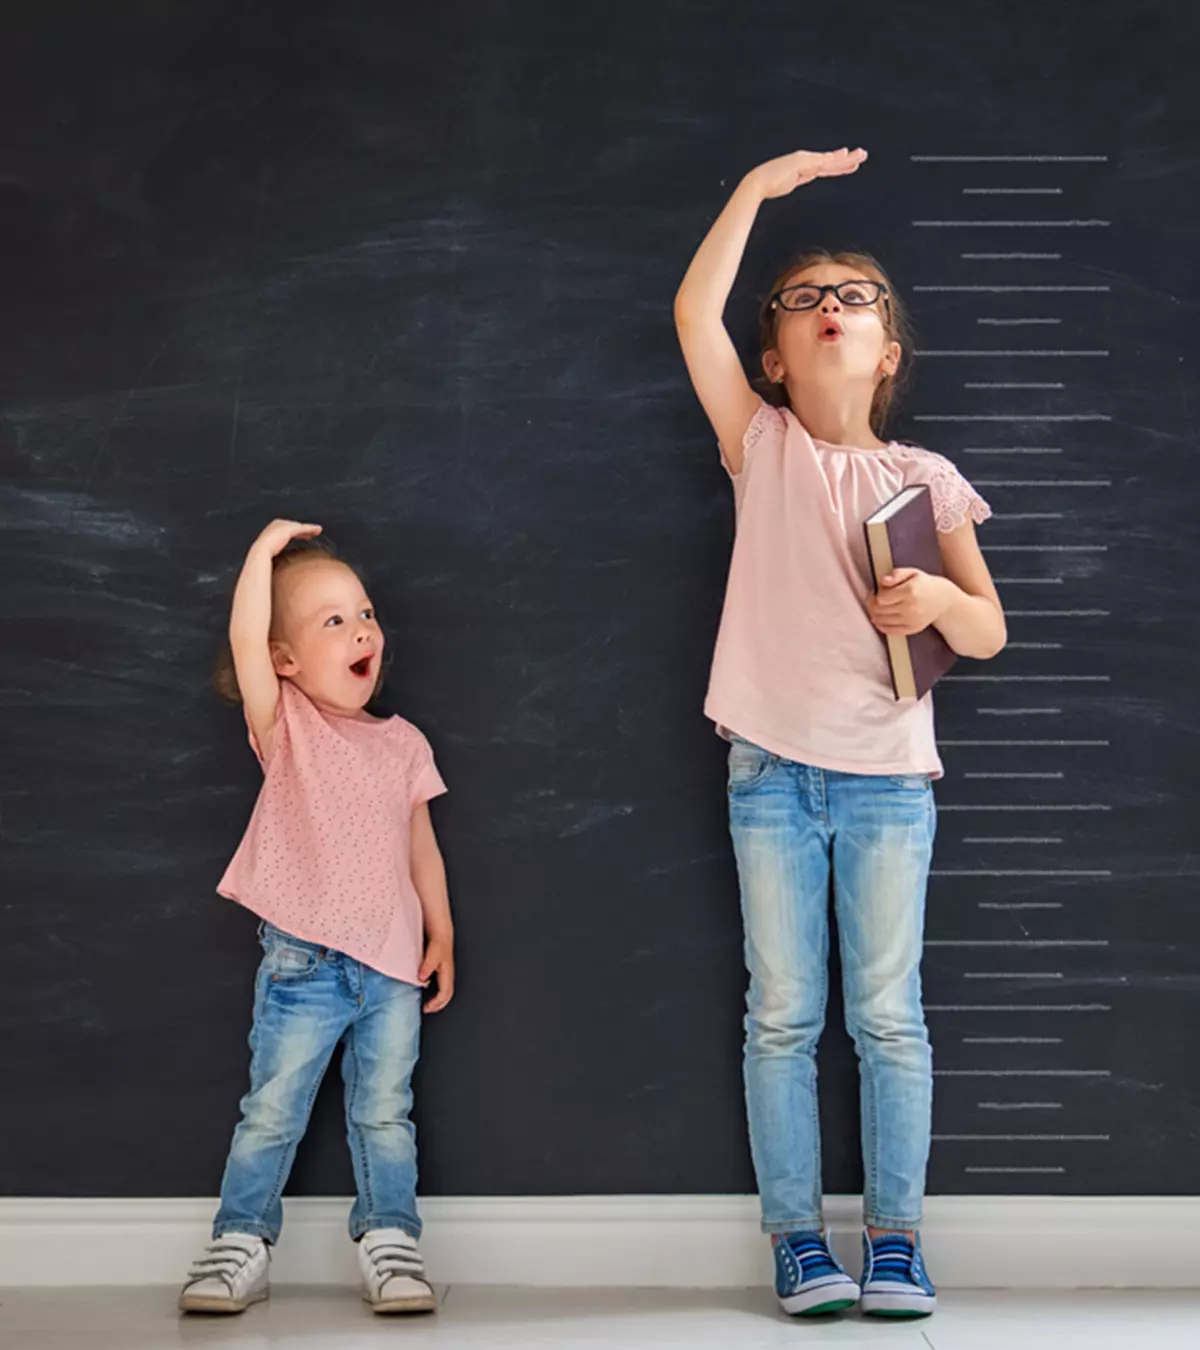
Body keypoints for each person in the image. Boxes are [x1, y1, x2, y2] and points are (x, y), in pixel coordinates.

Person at [673, 146, 1006, 1318]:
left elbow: (990, 630)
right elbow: (689, 309)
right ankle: (798, 1244)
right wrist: (756, 191)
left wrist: (937, 605)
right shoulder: (760, 444)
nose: (828, 309)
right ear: (775, 353)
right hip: (767, 768)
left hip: (885, 780)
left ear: (887, 353)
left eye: (852, 298)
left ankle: (899, 1241)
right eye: (803, 299)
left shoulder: (923, 475)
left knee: (886, 1018)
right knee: (782, 1014)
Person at [178, 519, 454, 1316]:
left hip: (392, 968)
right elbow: (243, 634)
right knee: (271, 1109)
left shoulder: (403, 743)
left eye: (363, 612)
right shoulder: (287, 726)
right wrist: (263, 556)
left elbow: (422, 850)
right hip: (303, 964)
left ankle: (392, 1241)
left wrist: (442, 932)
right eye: (332, 620)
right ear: (284, 660)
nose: (361, 628)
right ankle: (239, 1243)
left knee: (384, 1114)